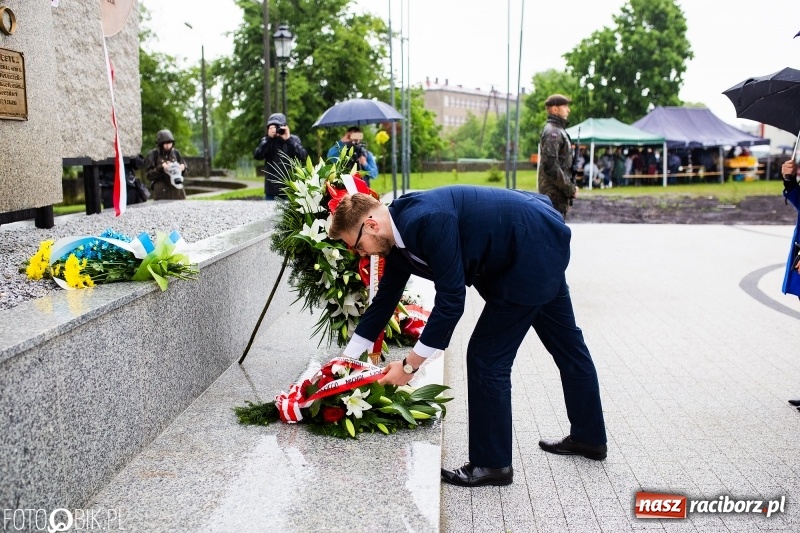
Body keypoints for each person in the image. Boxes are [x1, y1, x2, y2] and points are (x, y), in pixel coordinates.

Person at [328, 186, 608, 487]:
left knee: (486, 357)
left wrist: (409, 367)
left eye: (356, 245)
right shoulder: (395, 234)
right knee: (568, 346)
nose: (360, 253)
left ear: (371, 225)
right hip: (530, 247)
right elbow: (385, 299)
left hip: (529, 251)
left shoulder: (427, 219)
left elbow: (451, 302)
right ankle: (589, 438)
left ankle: (492, 464)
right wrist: (346, 362)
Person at [538, 94, 577, 219]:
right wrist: (570, 189)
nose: (568, 109)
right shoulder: (553, 132)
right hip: (553, 193)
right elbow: (551, 166)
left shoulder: (557, 130)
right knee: (553, 233)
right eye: (565, 106)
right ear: (555, 109)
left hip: (557, 192)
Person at [253, 113, 308, 200]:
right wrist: (268, 139)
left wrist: (288, 140)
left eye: (278, 126)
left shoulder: (293, 140)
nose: (276, 130)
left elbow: (303, 156)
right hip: (271, 190)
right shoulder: (267, 141)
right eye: (272, 127)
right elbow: (257, 155)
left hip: (290, 188)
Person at [144, 130, 188, 201]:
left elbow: (185, 169)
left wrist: (182, 168)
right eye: (165, 143)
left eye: (170, 143)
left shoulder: (176, 153)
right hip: (161, 192)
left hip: (177, 190)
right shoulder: (153, 154)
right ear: (160, 144)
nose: (168, 145)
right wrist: (161, 168)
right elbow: (149, 176)